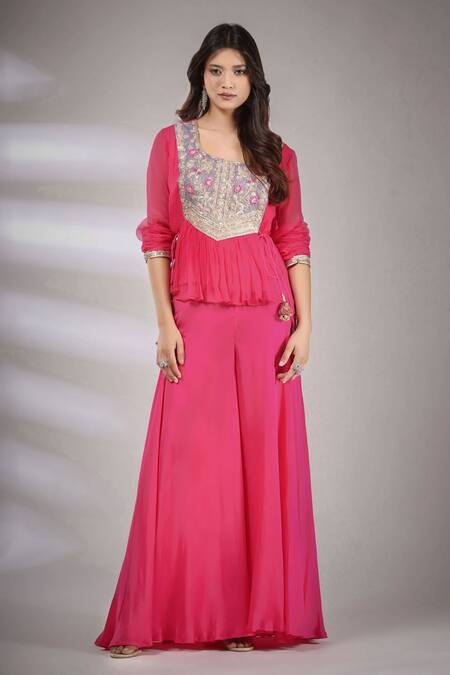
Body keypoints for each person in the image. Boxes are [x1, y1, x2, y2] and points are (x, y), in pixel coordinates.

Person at [94, 22, 327, 658]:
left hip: (266, 320)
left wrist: (306, 325)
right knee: (190, 465)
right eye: (217, 70)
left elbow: (293, 238)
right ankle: (150, 619)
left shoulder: (278, 153)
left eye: (239, 71)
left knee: (256, 468)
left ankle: (241, 619)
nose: (228, 82)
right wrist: (165, 323)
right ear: (201, 74)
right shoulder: (170, 143)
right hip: (195, 315)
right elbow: (157, 233)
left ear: (255, 80)